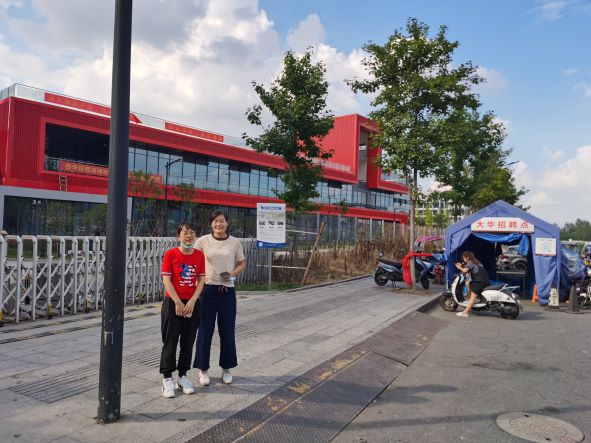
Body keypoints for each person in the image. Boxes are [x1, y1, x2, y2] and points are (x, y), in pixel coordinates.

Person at [193, 210, 246, 386]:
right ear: (211, 223)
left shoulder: (235, 242)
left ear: (227, 223)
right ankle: (203, 370)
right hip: (207, 291)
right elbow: (193, 261)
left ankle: (226, 368)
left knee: (227, 332)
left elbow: (242, 263)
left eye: (222, 221)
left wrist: (231, 275)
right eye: (215, 221)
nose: (219, 224)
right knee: (204, 332)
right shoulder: (203, 241)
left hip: (227, 292)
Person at [160, 221, 205, 398]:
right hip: (173, 303)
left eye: (192, 232)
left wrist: (192, 301)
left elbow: (201, 280)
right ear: (178, 236)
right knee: (170, 341)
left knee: (188, 341)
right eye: (185, 232)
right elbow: (166, 280)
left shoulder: (199, 256)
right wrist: (178, 302)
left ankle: (183, 376)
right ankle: (167, 379)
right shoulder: (170, 254)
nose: (189, 236)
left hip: (192, 303)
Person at [454, 251, 489, 317]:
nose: (463, 259)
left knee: (473, 297)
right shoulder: (476, 261)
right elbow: (468, 268)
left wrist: (459, 267)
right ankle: (471, 300)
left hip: (479, 282)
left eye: (463, 258)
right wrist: (462, 266)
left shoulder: (471, 262)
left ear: (467, 257)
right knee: (468, 283)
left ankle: (465, 312)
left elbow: (465, 270)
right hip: (484, 281)